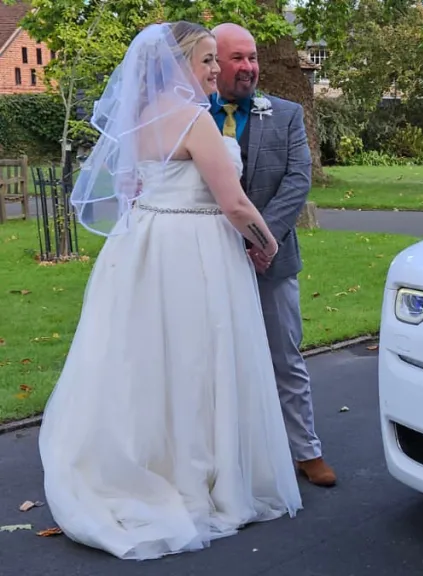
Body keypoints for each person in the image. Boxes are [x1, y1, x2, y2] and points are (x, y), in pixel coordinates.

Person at [37, 21, 302, 560]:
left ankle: (154, 465)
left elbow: (132, 190)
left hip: (145, 248)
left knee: (153, 363)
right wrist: (267, 245)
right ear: (178, 64)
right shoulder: (195, 121)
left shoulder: (138, 119)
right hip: (196, 251)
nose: (214, 70)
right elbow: (234, 206)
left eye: (214, 60)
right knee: (198, 362)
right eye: (206, 60)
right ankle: (200, 478)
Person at [208, 23, 336, 487]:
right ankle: (226, 454)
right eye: (237, 58)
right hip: (207, 258)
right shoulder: (189, 116)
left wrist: (262, 239)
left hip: (272, 259)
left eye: (253, 57)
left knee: (286, 356)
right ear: (212, 62)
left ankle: (305, 450)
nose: (249, 68)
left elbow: (297, 181)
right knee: (211, 358)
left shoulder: (285, 113)